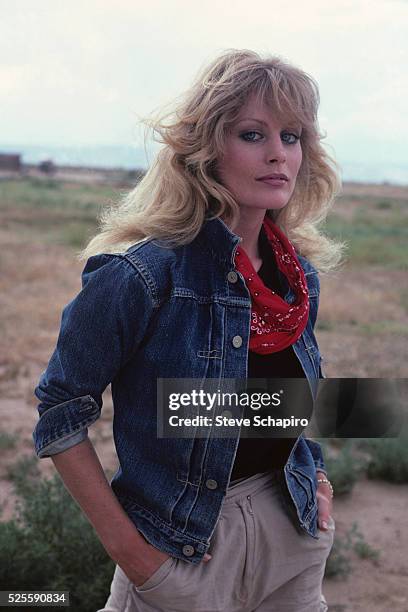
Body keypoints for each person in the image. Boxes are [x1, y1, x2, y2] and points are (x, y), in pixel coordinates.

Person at [32, 48, 344, 611]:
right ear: (206, 150)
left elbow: (289, 401)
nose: (278, 154)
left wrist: (314, 476)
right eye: (253, 134)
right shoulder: (142, 276)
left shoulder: (298, 279)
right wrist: (131, 553)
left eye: (292, 136)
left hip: (290, 541)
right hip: (179, 553)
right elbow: (60, 405)